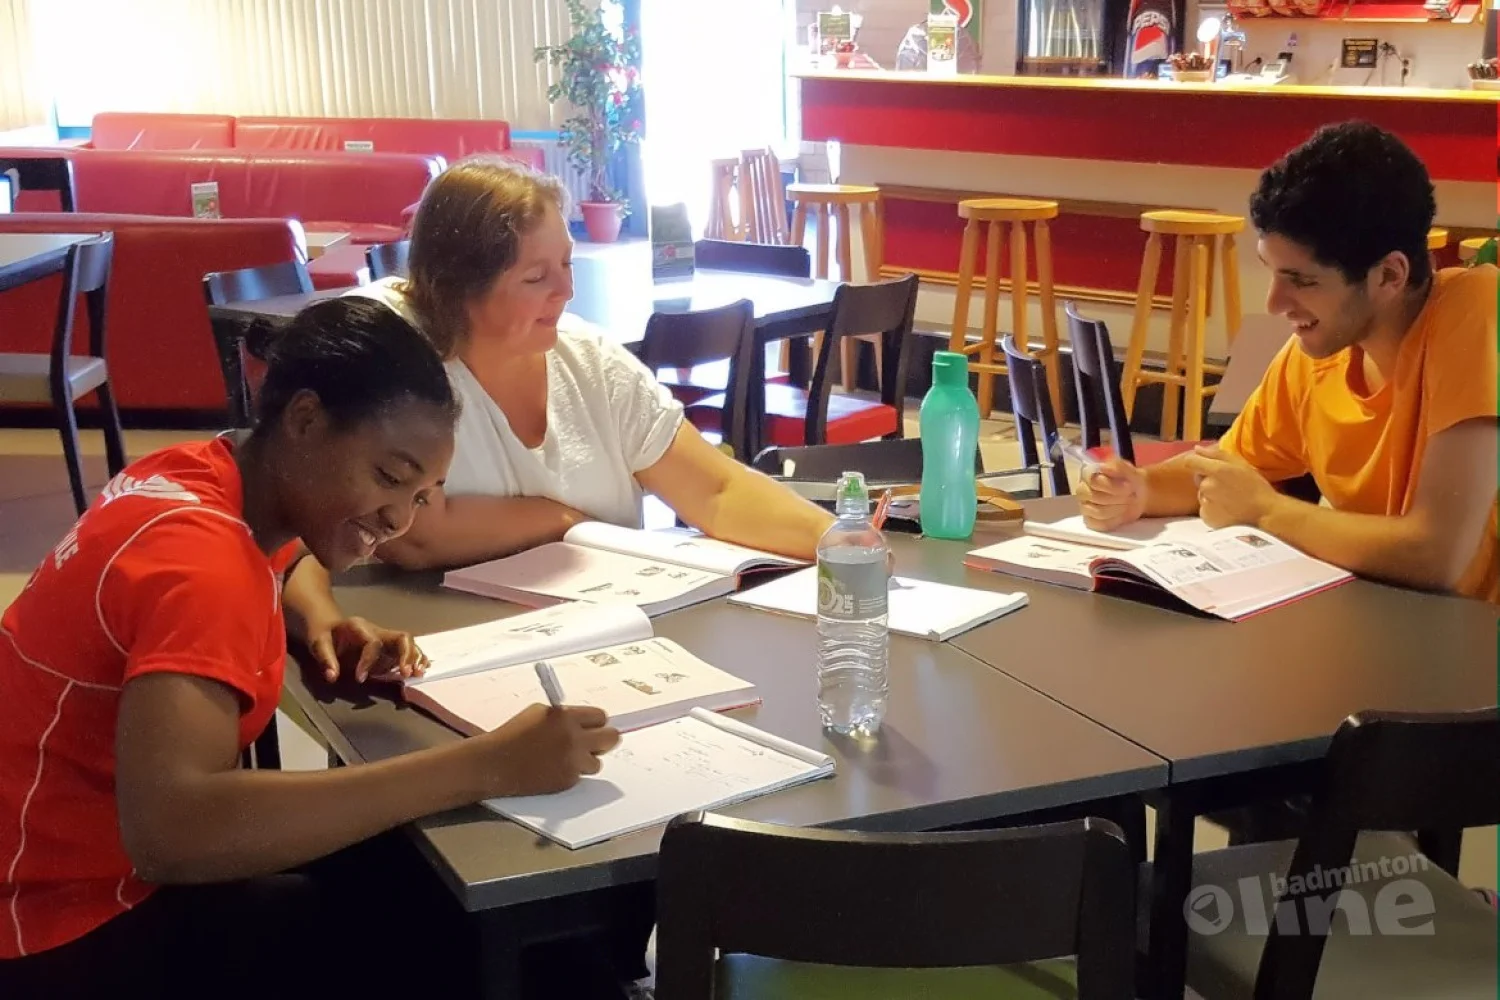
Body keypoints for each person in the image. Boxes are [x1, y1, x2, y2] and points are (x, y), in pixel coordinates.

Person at [0, 298, 620, 998]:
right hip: (57, 927)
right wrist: (484, 766)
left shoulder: (199, 474)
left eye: (423, 495)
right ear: (304, 419)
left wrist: (314, 614)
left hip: (51, 865)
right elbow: (172, 831)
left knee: (403, 871)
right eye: (389, 477)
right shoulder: (206, 569)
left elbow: (283, 557)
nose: (398, 518)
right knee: (457, 934)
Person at [1079, 121, 1498, 606]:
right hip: (1378, 625)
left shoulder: (1474, 308)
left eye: (1301, 280)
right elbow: (1222, 476)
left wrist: (1265, 511)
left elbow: (1439, 555)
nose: (1276, 303)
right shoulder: (1316, 355)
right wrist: (1141, 491)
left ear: (1389, 274)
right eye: (1272, 273)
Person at [348, 156, 834, 572]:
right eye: (536, 277)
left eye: (568, 265)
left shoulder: (589, 361)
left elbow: (717, 490)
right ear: (459, 288)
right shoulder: (398, 356)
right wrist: (567, 523)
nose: (567, 292)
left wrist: (839, 540)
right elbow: (418, 535)